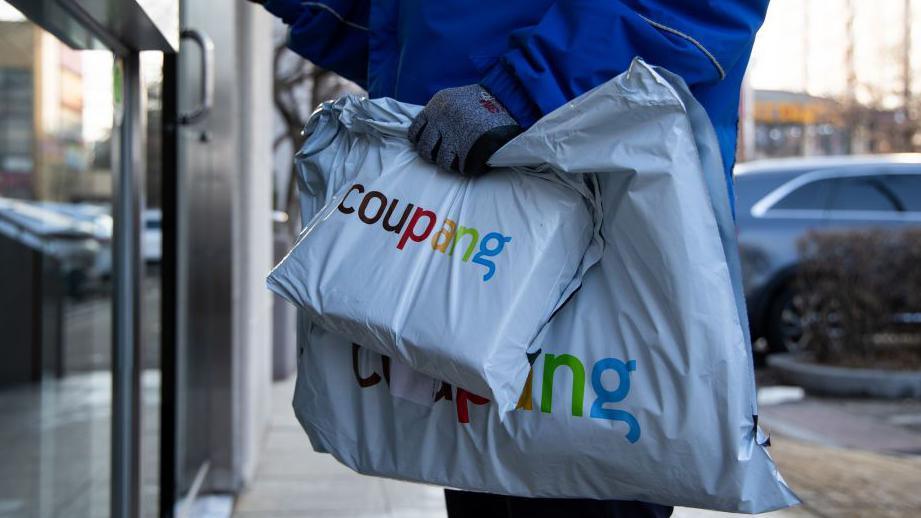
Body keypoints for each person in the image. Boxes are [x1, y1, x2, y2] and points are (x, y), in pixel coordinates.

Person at [252, 0, 769, 516]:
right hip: (479, 185)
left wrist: (524, 89)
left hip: (577, 167)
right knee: (489, 457)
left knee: (581, 468)